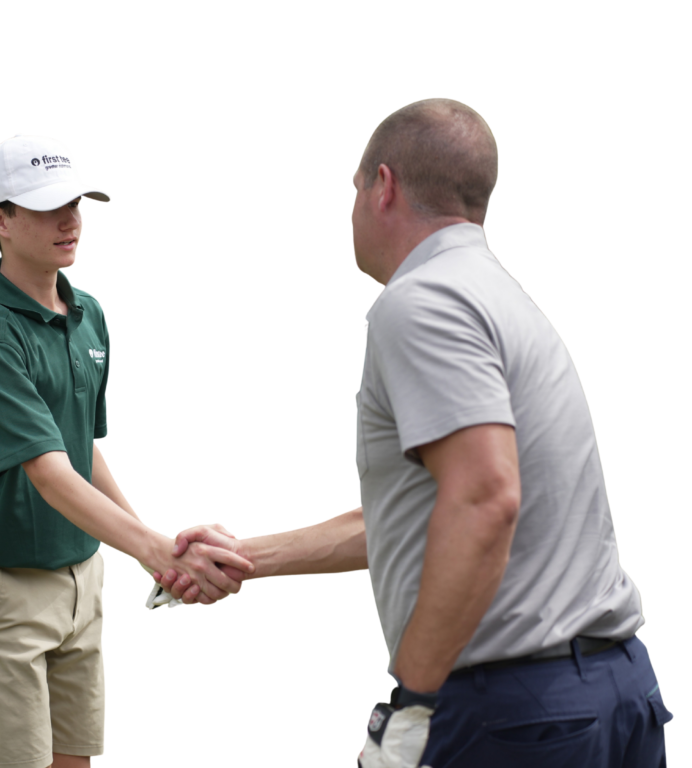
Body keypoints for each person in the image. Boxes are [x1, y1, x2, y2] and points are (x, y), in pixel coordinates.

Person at [152, 100, 671, 767]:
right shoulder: (504, 299)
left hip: (510, 715)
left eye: (351, 196)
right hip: (606, 695)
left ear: (383, 187)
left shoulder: (421, 301)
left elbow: (485, 501)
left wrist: (416, 700)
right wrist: (250, 557)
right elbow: (441, 517)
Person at [0, 134, 254, 768]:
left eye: (78, 203)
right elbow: (50, 474)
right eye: (49, 206)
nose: (73, 221)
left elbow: (83, 451)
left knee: (81, 758)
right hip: (5, 592)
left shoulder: (89, 316)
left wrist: (147, 549)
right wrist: (155, 551)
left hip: (82, 579)